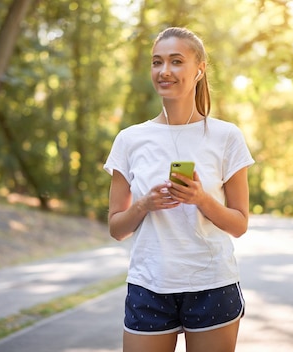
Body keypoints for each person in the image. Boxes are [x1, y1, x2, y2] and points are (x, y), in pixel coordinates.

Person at [103, 27, 255, 352]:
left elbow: (239, 224)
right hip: (149, 285)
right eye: (157, 62)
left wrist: (201, 199)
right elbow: (116, 228)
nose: (164, 71)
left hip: (212, 283)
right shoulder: (129, 140)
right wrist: (144, 204)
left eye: (176, 61)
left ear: (199, 70)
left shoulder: (226, 137)